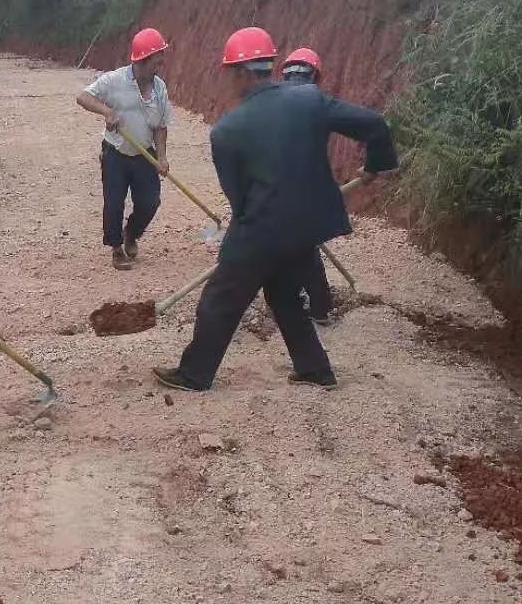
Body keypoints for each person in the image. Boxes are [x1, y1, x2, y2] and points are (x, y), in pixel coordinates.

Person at [154, 27, 397, 393]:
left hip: (262, 229)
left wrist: (244, 239)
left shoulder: (227, 131)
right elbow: (374, 125)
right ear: (267, 66)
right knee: (284, 295)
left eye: (228, 74)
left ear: (240, 72)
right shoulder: (308, 100)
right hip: (307, 228)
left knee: (220, 300)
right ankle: (315, 371)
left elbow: (238, 198)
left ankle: (194, 375)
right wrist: (377, 164)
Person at [77, 28, 172, 271]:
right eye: (156, 60)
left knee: (150, 201)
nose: (160, 64)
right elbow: (83, 97)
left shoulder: (160, 88)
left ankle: (131, 233)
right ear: (141, 60)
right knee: (114, 203)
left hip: (144, 153)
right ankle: (117, 248)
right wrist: (107, 112)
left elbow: (161, 126)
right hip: (115, 153)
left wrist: (161, 156)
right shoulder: (114, 80)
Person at [281, 47, 334, 325]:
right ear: (315, 76)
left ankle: (308, 303)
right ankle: (320, 306)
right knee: (305, 249)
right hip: (306, 191)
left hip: (270, 191)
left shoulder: (269, 102)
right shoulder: (318, 105)